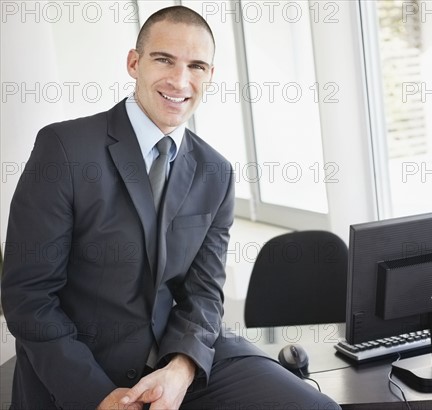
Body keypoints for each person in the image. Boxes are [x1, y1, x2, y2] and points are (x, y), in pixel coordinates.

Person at [1, 6, 341, 410]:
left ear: (210, 76)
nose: (180, 80)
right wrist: (97, 397)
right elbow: (28, 296)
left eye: (196, 66)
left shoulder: (216, 171)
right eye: (164, 59)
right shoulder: (64, 149)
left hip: (180, 355)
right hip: (87, 368)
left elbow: (204, 292)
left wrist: (181, 367)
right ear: (134, 63)